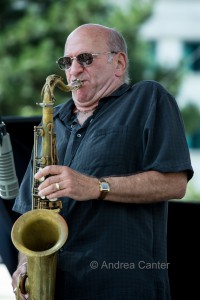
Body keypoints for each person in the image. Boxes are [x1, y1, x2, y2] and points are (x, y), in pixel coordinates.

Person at [12, 23, 193, 300]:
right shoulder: (53, 121)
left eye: (85, 58)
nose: (73, 69)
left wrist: (97, 186)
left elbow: (174, 183)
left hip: (120, 285)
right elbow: (30, 212)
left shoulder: (148, 98)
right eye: (67, 61)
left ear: (118, 63)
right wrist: (24, 267)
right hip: (57, 288)